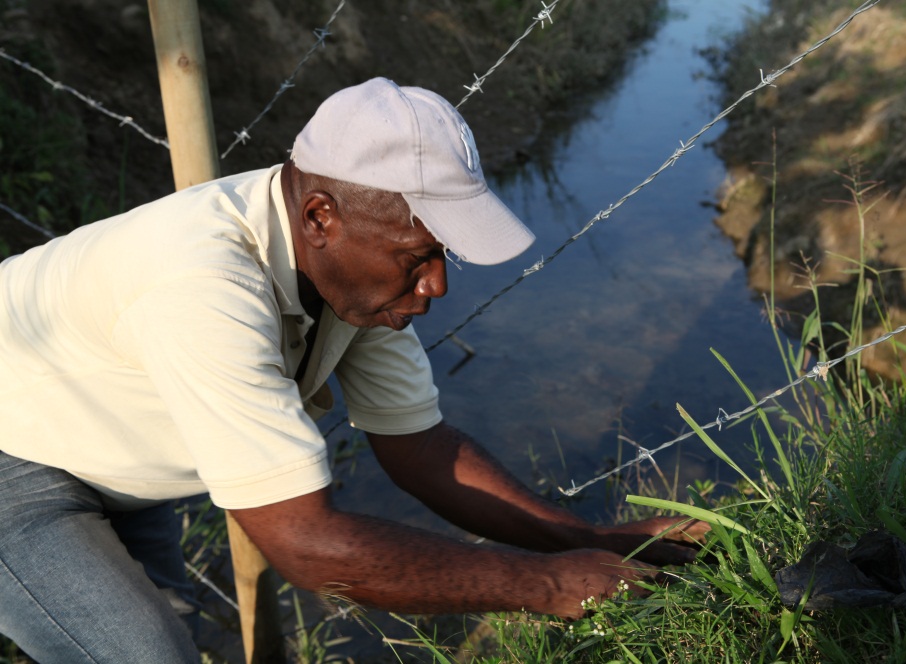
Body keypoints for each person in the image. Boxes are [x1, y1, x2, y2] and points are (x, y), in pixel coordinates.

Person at [0, 77, 707, 662]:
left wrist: (590, 541)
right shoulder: (202, 286)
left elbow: (422, 450)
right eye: (417, 258)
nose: (436, 287)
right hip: (14, 459)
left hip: (104, 447)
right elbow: (305, 545)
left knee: (160, 625)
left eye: (444, 258)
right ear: (319, 217)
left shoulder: (350, 273)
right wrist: (547, 585)